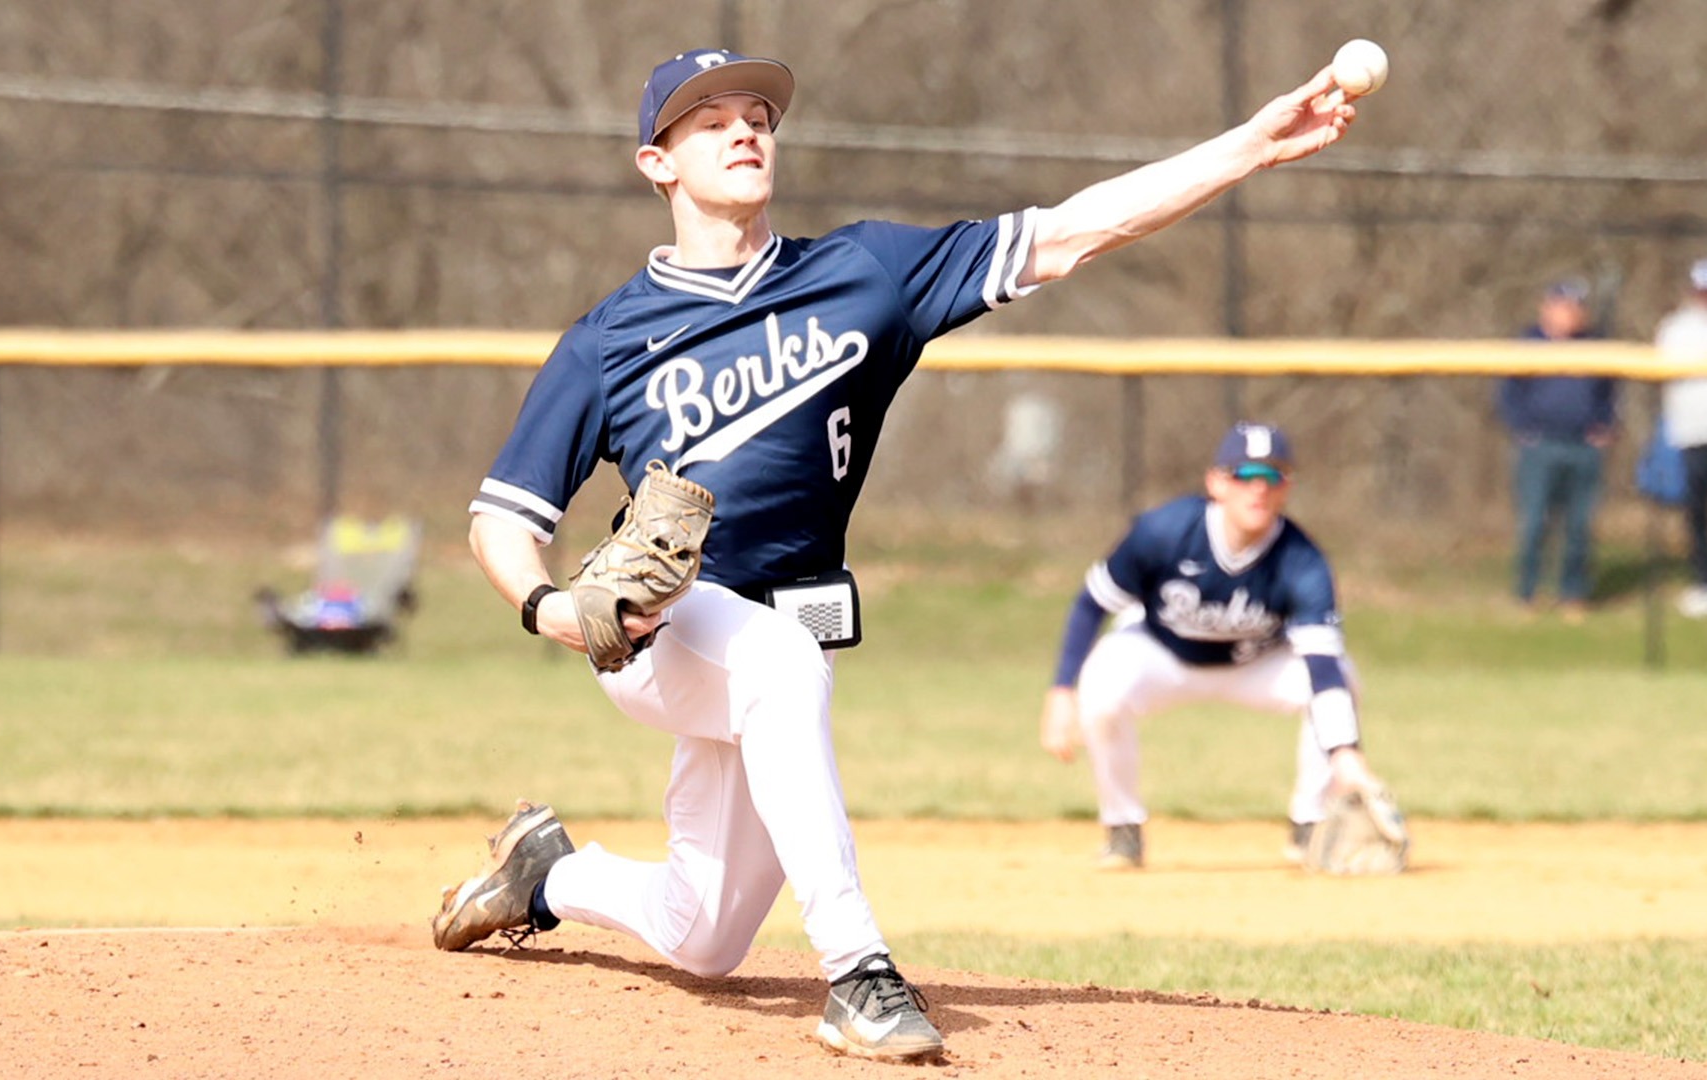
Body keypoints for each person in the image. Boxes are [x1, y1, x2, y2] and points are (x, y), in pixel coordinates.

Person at [441, 46, 1363, 1063]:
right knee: (779, 665)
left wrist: (1245, 148)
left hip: (782, 642)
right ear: (655, 164)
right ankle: (859, 973)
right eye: (708, 121)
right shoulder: (609, 341)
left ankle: (545, 875)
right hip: (662, 630)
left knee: (703, 936)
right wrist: (549, 609)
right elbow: (503, 517)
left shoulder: (864, 274)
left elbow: (1071, 234)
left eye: (757, 114)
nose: (745, 129)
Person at [1038, 423, 1391, 870]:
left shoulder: (1303, 561)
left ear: (1288, 487)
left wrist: (1347, 756)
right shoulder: (1163, 532)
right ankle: (1122, 830)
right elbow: (1092, 603)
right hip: (1162, 655)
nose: (1258, 489)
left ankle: (1309, 824)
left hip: (1256, 665)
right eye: (1244, 475)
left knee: (1344, 675)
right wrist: (1061, 692)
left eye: (1273, 476)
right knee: (1103, 685)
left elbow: (1321, 665)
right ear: (1216, 483)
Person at [1495, 278, 1618, 621]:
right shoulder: (1527, 344)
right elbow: (1508, 394)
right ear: (1546, 307)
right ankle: (1527, 593)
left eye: (1576, 307)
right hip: (1540, 445)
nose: (1570, 314)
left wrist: (1605, 426)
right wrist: (1523, 430)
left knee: (1579, 525)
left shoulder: (1595, 345)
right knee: (1535, 522)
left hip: (1583, 445)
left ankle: (1573, 594)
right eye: (1563, 305)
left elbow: (1609, 393)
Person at [1656, 258, 1707, 618]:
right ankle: (1705, 582)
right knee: (1696, 512)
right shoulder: (1674, 328)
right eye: (1703, 290)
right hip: (1692, 434)